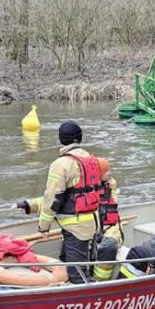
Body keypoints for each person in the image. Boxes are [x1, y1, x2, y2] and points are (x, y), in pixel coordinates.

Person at [28, 120, 103, 284]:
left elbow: (53, 198)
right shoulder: (92, 160)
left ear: (61, 139)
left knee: (77, 275)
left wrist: (44, 227)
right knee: (71, 261)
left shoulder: (61, 164)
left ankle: (85, 300)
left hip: (74, 226)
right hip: (92, 222)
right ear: (80, 138)